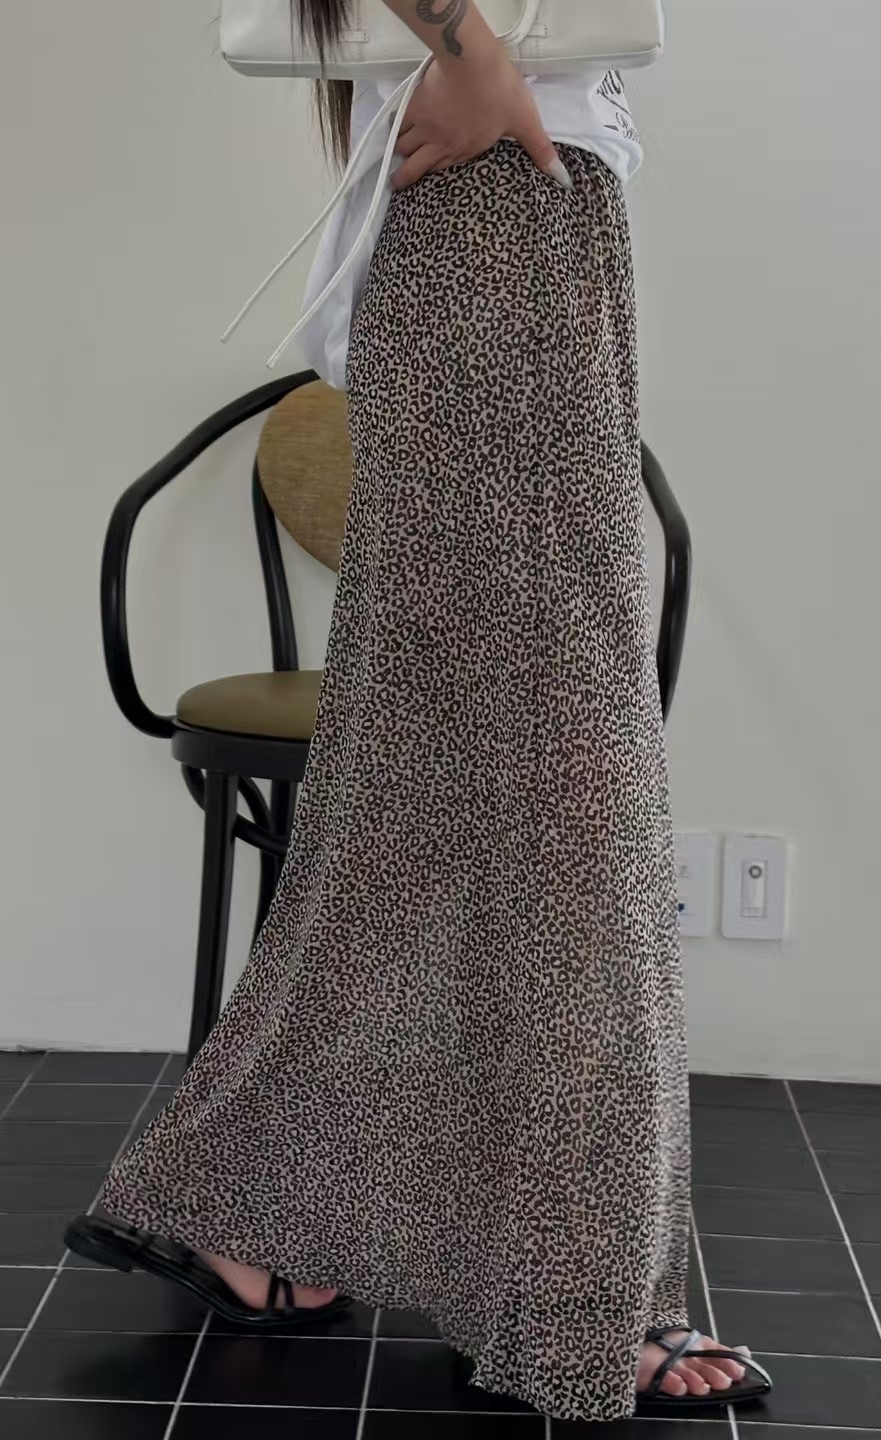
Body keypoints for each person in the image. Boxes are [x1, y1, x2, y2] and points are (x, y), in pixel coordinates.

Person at [65, 0, 768, 1422]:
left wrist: (475, 61)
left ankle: (245, 1208)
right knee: (570, 812)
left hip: (513, 227)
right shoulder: (482, 100)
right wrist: (470, 47)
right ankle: (571, 1305)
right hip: (501, 223)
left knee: (432, 799)